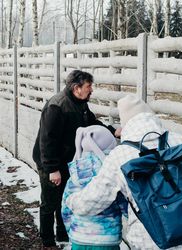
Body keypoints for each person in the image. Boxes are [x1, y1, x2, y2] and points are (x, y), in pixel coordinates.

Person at [66, 95, 182, 250]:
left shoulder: (120, 155)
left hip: (153, 242)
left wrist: (71, 200)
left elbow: (91, 203)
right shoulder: (180, 140)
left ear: (125, 123)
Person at [32, 70, 121, 248]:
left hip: (67, 160)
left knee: (65, 198)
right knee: (50, 202)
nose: (91, 90)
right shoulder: (57, 106)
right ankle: (47, 240)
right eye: (88, 86)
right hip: (50, 162)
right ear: (76, 88)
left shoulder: (80, 103)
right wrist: (52, 169)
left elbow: (91, 123)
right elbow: (47, 140)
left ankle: (63, 234)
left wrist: (112, 131)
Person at [61, 125, 127, 250]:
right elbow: (124, 205)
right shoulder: (111, 174)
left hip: (78, 239)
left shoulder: (75, 175)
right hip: (107, 240)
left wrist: (72, 230)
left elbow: (65, 208)